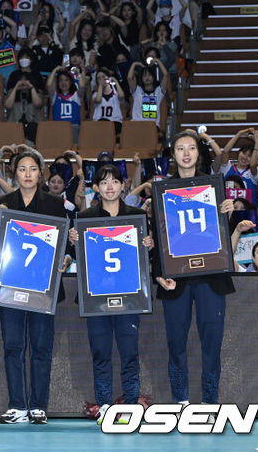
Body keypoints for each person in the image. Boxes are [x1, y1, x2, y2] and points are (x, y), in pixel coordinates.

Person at [154, 130, 235, 407]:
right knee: (176, 343)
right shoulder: (162, 190)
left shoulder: (215, 187)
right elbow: (156, 236)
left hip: (211, 276)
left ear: (198, 154)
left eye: (191, 148)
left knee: (211, 345)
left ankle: (210, 403)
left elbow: (222, 235)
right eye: (180, 149)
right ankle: (181, 402)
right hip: (176, 280)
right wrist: (158, 274)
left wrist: (227, 213)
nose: (186, 153)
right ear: (173, 155)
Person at [68, 164, 155, 422]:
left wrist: (148, 245)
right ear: (96, 187)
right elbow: (78, 259)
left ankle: (130, 404)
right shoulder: (84, 218)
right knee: (101, 353)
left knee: (130, 353)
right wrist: (73, 242)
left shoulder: (137, 216)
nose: (109, 186)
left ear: (122, 185)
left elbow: (144, 255)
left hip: (129, 295)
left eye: (114, 181)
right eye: (104, 182)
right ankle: (105, 405)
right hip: (96, 297)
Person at [0, 150, 68, 425]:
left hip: (43, 289)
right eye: (22, 169)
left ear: (41, 172)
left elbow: (65, 245)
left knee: (40, 348)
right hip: (10, 287)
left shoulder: (54, 204)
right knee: (13, 347)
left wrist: (66, 258)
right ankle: (16, 405)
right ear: (15, 173)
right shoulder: (2, 203)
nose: (27, 174)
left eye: (32, 169)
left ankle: (38, 406)